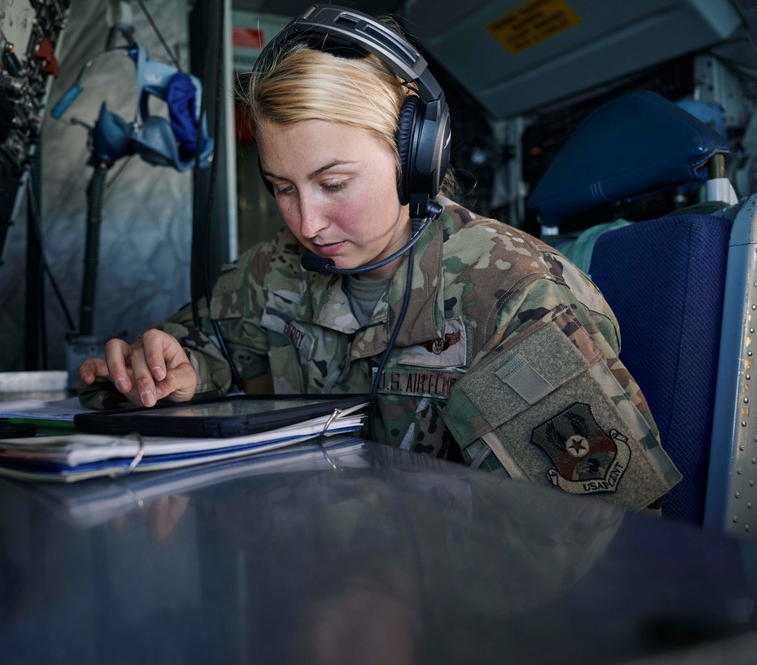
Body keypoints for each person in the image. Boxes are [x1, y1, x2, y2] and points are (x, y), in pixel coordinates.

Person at [78, 5, 682, 511]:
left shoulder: (515, 301)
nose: (307, 223)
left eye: (334, 184)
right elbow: (206, 347)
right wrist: (169, 370)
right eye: (282, 188)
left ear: (415, 159)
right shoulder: (271, 272)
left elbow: (609, 534)